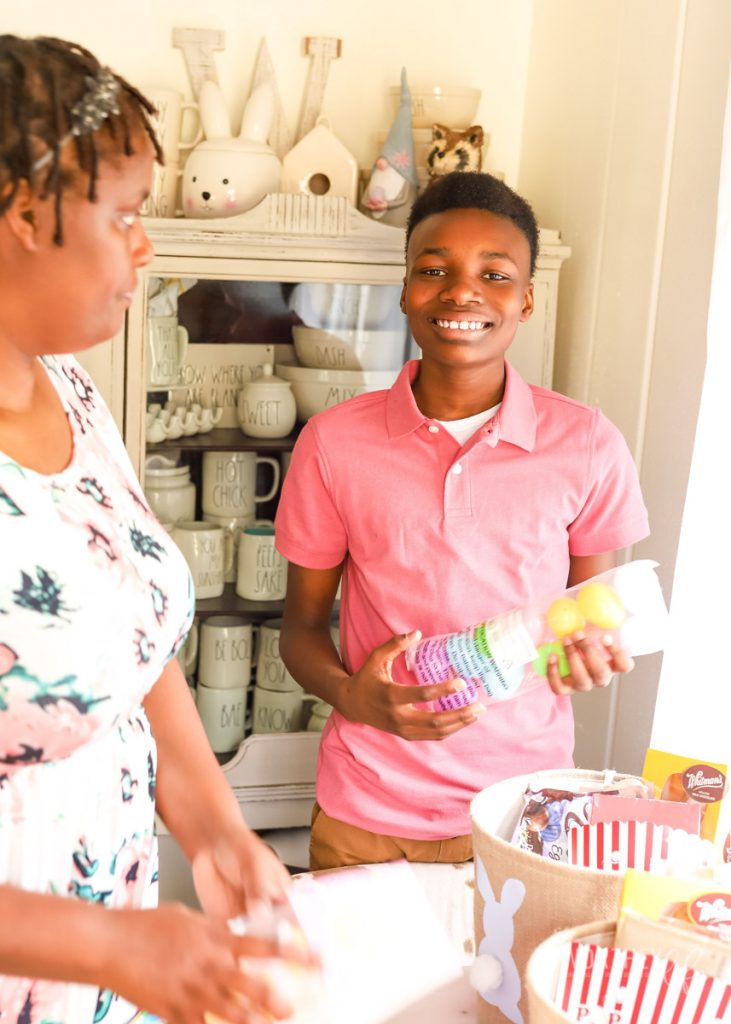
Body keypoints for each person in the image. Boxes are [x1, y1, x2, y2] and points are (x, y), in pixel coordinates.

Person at [0, 35, 309, 1024]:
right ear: (20, 214)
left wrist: (218, 832)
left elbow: (132, 649)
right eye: (125, 215)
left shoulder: (72, 392)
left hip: (102, 961)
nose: (145, 247)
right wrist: (103, 944)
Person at [275, 171, 650, 871]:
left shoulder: (587, 444)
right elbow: (299, 632)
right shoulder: (333, 444)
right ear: (404, 290)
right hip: (366, 811)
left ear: (527, 298)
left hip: (524, 814)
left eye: (495, 274)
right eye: (433, 270)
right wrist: (352, 696)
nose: (461, 292)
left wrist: (586, 656)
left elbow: (585, 621)